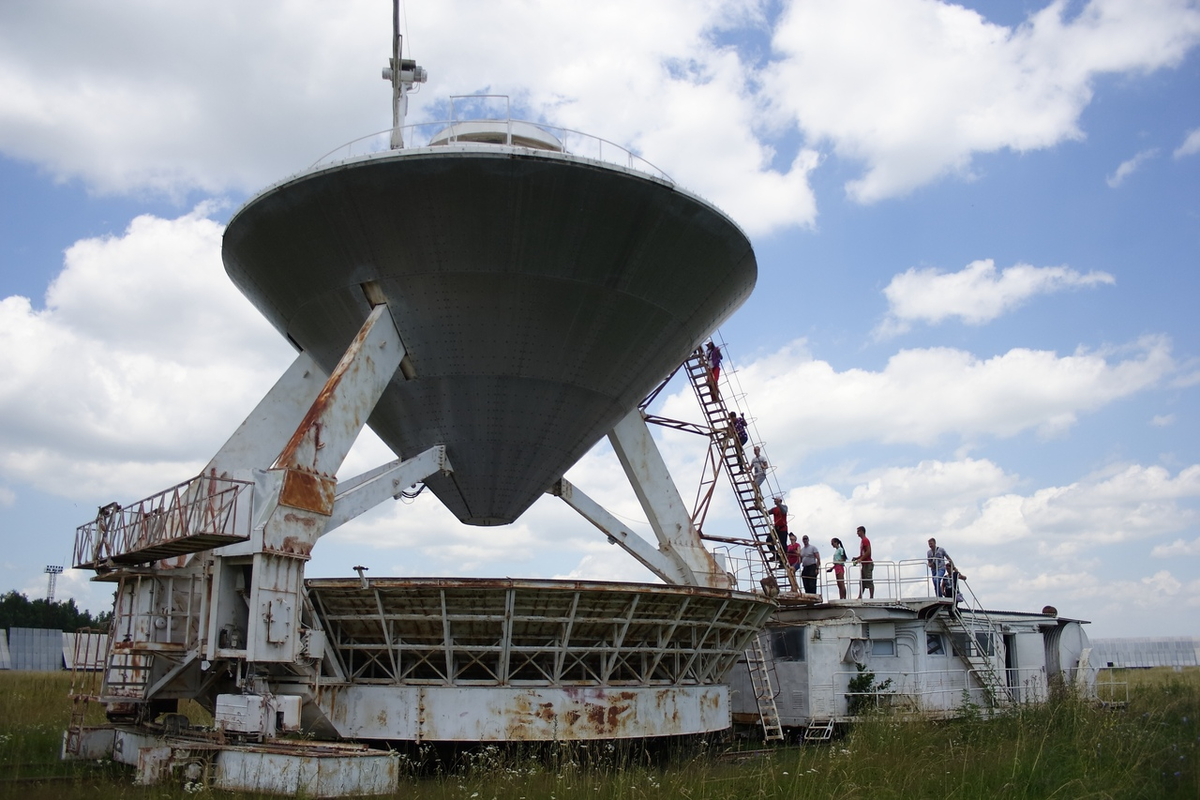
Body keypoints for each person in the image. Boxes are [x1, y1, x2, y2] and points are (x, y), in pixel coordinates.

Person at [851, 525, 874, 599]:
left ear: (861, 531)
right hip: (864, 564)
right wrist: (857, 558)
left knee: (868, 580)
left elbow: (868, 552)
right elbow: (864, 553)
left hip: (867, 563)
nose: (857, 533)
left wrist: (860, 559)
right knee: (862, 581)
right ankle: (860, 596)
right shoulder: (862, 541)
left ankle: (871, 597)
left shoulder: (865, 540)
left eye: (858, 531)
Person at [769, 497, 789, 561]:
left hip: (783, 529)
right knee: (769, 540)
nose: (774, 501)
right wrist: (758, 509)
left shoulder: (784, 507)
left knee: (783, 545)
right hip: (776, 528)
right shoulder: (774, 509)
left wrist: (779, 504)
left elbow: (784, 511)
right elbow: (766, 513)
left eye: (776, 500)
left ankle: (784, 560)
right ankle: (775, 555)